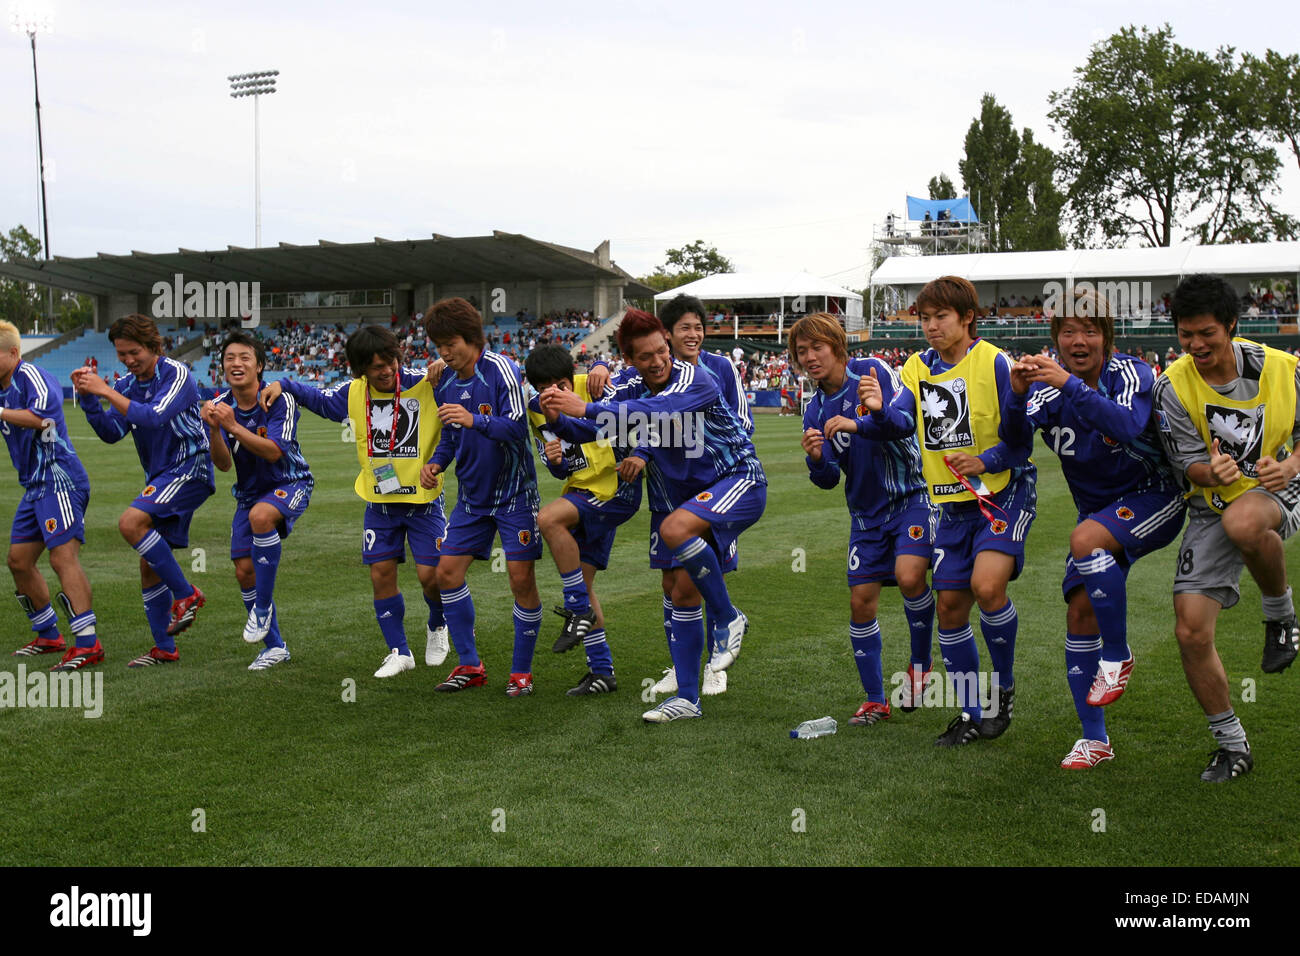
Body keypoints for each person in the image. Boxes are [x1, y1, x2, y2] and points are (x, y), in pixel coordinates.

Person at [543, 308, 766, 723]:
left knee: (674, 528)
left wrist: (584, 409)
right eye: (646, 356)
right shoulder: (631, 389)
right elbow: (600, 431)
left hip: (739, 480)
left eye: (662, 350)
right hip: (686, 497)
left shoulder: (695, 378)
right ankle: (687, 698)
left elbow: (651, 415)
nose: (659, 360)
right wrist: (560, 418)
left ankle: (728, 617)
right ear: (630, 360)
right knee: (680, 591)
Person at [1000, 293, 1186, 769]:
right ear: (1054, 337)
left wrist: (1068, 384)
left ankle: (1119, 655)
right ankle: (1094, 741)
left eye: (1090, 330)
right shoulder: (1045, 389)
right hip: (1099, 514)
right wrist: (1016, 396)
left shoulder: (1130, 373)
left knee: (1083, 540)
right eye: (1067, 331)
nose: (1078, 341)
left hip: (1154, 496)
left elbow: (1125, 425)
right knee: (1080, 613)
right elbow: (1015, 446)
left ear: (1107, 335)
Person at [858, 276, 1036, 746]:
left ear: (966, 318)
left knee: (986, 585)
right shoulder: (917, 367)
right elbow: (898, 422)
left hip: (1001, 492)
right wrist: (877, 411)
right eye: (924, 318)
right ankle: (970, 713)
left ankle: (1002, 687)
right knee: (952, 608)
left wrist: (984, 461)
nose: (931, 327)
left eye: (940, 317)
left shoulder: (994, 362)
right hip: (950, 505)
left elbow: (1021, 442)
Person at [1151, 273, 1300, 782]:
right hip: (1210, 504)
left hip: (1276, 489)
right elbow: (1185, 463)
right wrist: (1207, 471)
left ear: (1232, 326)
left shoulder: (1283, 367)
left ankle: (1281, 616)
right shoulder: (1171, 385)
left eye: (1207, 334)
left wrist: (1295, 462)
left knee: (1244, 521)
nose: (1195, 345)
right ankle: (1232, 745)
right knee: (1190, 629)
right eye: (1185, 335)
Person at [587, 295, 752, 696]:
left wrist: (649, 448)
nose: (692, 334)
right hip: (664, 493)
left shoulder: (717, 369)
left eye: (698, 327)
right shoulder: (644, 374)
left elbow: (740, 423)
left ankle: (716, 663)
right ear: (667, 334)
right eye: (684, 328)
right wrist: (596, 367)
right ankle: (682, 668)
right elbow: (627, 413)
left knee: (697, 579)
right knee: (670, 584)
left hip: (711, 490)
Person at [259, 326, 448, 678]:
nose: (387, 370)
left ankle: (437, 625)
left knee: (432, 577)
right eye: (376, 367)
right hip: (379, 504)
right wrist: (284, 383)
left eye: (390, 361)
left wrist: (444, 364)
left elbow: (468, 374)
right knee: (381, 575)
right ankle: (399, 652)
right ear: (360, 369)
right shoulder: (352, 393)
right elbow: (316, 398)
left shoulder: (427, 382)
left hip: (424, 500)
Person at [792, 314, 935, 726]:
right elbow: (828, 479)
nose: (811, 357)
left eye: (817, 347)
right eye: (802, 351)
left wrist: (859, 421)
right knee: (860, 603)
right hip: (865, 516)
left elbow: (901, 426)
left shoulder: (873, 372)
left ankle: (920, 666)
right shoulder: (813, 410)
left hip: (910, 498)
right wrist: (816, 459)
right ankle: (875, 700)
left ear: (837, 345)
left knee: (910, 577)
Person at [71, 314, 213, 668]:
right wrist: (89, 398)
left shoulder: (176, 374)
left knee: (131, 524)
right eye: (122, 355)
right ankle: (165, 648)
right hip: (161, 475)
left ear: (153, 345)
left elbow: (152, 416)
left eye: (134, 353)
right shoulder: (127, 384)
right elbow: (110, 432)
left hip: (190, 468)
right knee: (149, 564)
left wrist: (105, 390)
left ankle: (187, 594)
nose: (128, 361)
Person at [420, 297, 542, 697]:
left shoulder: (502, 370)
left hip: (514, 496)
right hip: (472, 499)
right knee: (446, 573)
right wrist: (437, 463)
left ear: (471, 337)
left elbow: (516, 428)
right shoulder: (448, 383)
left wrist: (477, 419)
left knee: (520, 579)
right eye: (438, 346)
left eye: (450, 342)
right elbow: (452, 437)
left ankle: (521, 674)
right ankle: (471, 665)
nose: (444, 352)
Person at [524, 345, 642, 695]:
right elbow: (556, 463)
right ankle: (602, 672)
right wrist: (555, 460)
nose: (554, 395)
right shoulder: (535, 410)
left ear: (569, 378)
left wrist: (603, 364)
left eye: (560, 386)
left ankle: (576, 609)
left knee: (547, 519)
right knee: (585, 584)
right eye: (545, 389)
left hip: (615, 488)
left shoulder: (593, 384)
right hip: (582, 492)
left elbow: (638, 376)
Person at [202, 331, 314, 670]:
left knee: (262, 517)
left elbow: (274, 451)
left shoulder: (278, 401)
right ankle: (275, 646)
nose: (236, 364)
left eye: (244, 358)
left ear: (260, 366)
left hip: (290, 481)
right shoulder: (220, 404)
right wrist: (215, 430)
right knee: (243, 569)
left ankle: (262, 609)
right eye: (229, 358)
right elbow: (222, 464)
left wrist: (233, 426)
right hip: (248, 494)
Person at [2, 320, 101, 669]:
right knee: (18, 561)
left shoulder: (30, 375)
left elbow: (43, 417)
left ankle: (88, 643)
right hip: (35, 484)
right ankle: (48, 635)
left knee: (62, 558)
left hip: (59, 478)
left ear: (13, 353)